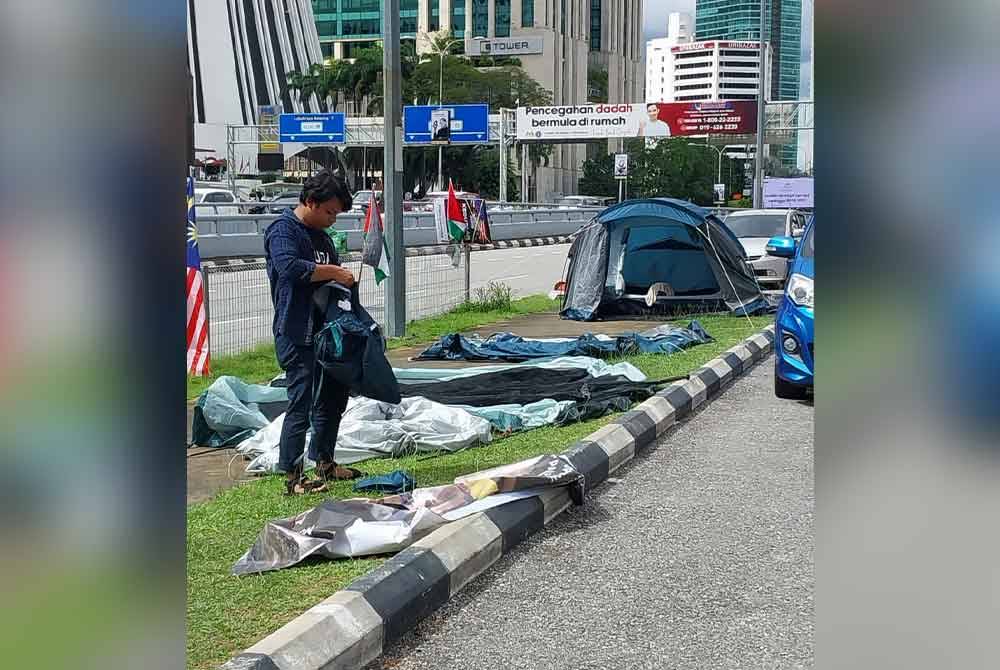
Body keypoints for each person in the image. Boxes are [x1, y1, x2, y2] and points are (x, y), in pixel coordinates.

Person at [264, 171, 359, 495]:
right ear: (310, 202)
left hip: (327, 332)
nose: (332, 219)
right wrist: (334, 271)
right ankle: (292, 476)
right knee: (301, 403)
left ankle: (325, 461)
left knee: (332, 399)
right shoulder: (283, 231)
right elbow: (291, 269)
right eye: (329, 212)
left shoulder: (322, 237)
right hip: (296, 331)